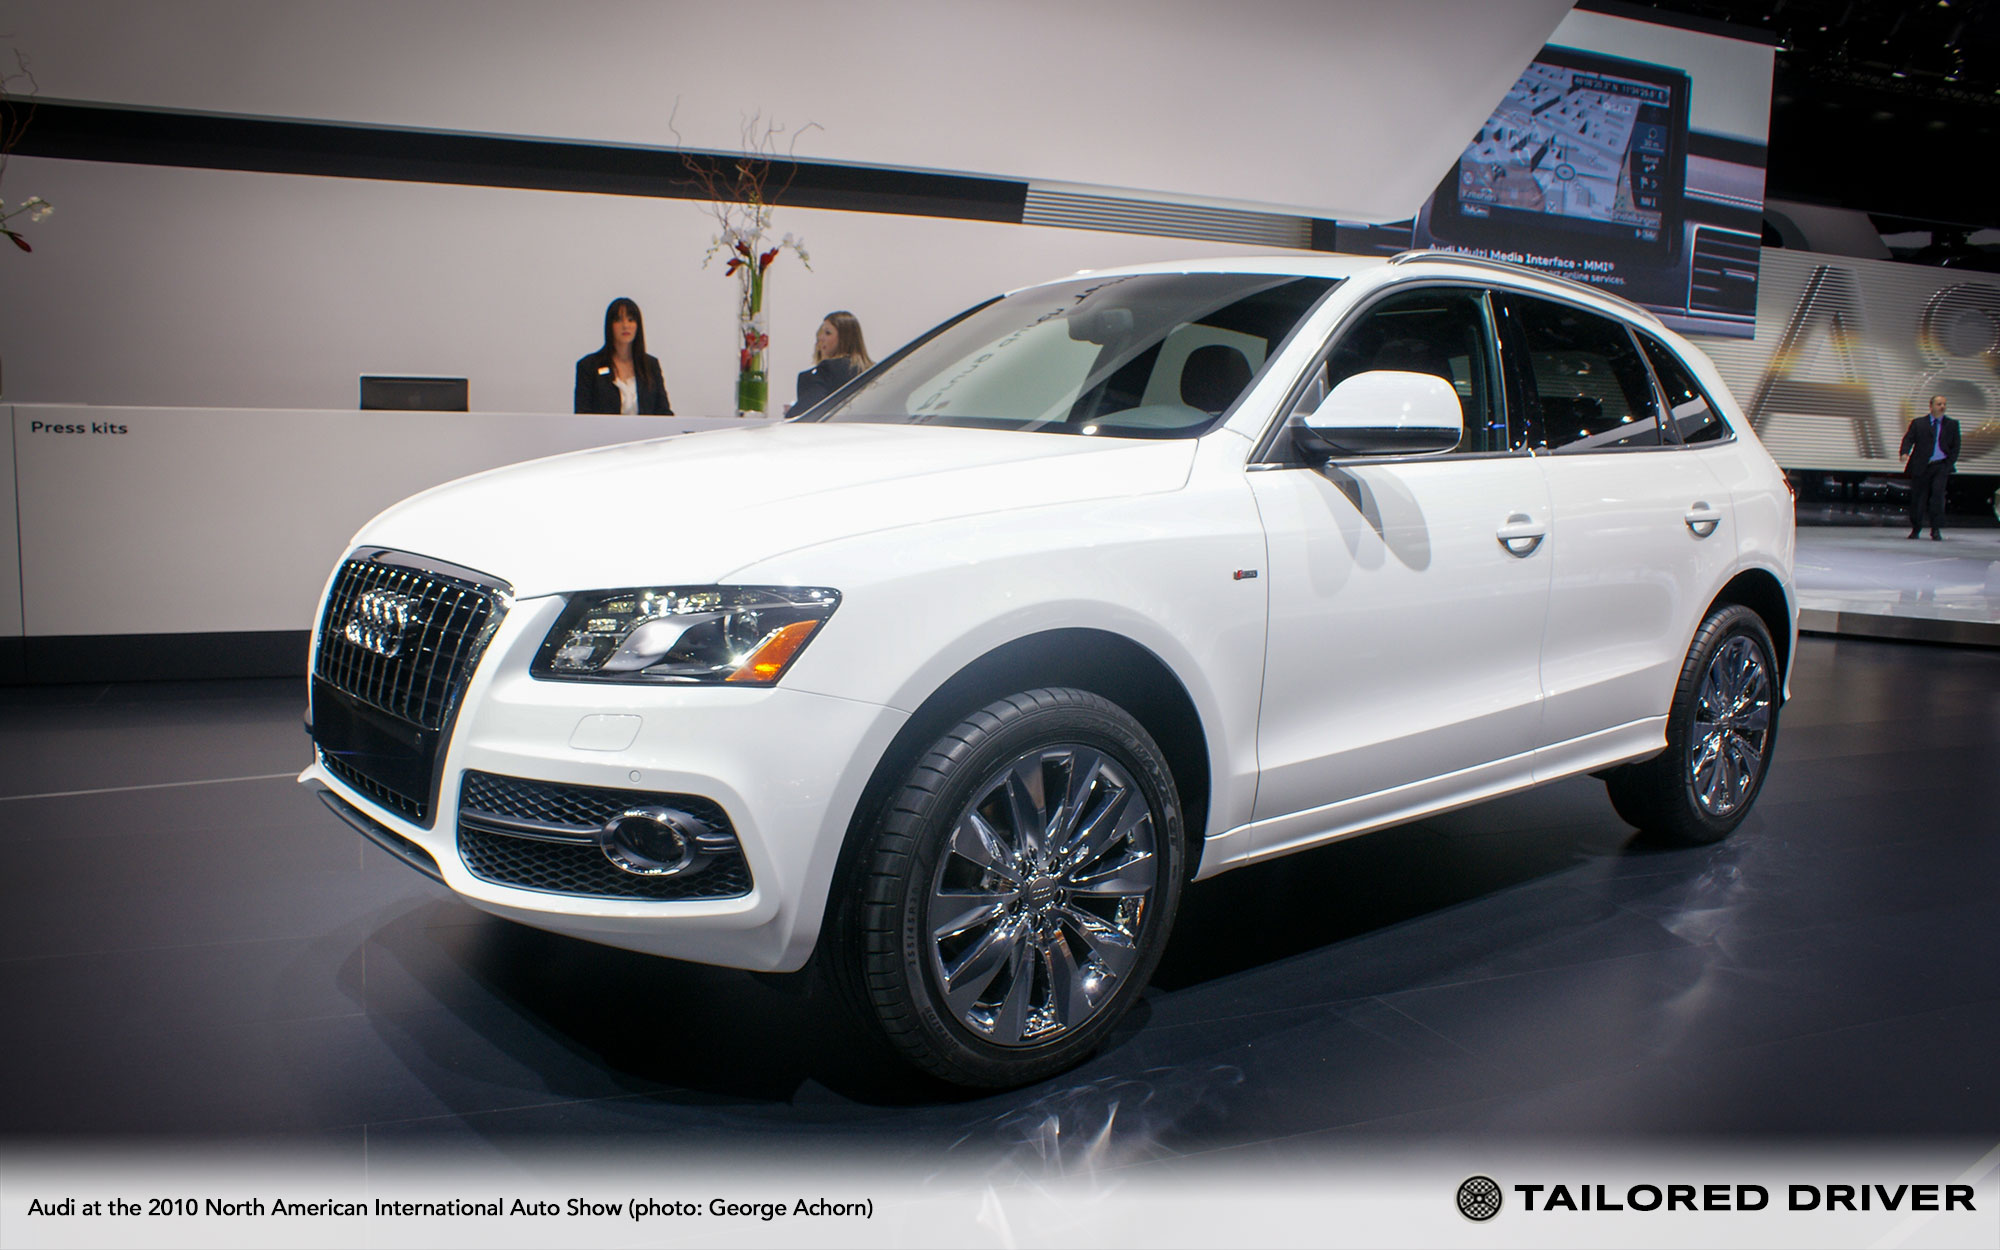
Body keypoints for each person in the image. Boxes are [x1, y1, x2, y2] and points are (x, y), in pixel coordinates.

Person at [575, 297, 673, 415]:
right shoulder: (589, 366)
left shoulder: (650, 365)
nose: (625, 325)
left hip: (646, 428)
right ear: (610, 325)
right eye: (618, 320)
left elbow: (663, 412)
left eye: (631, 320)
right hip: (603, 427)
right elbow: (583, 414)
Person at [1899, 393, 1959, 540]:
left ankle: (1936, 529)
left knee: (1937, 497)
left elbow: (1956, 446)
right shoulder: (1919, 423)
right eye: (1939, 404)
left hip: (1941, 465)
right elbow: (1908, 439)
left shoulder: (1952, 424)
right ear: (1931, 406)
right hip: (1922, 465)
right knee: (1918, 498)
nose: (1942, 407)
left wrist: (1948, 464)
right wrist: (1904, 452)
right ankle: (1916, 528)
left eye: (1944, 404)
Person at [791, 310, 873, 414]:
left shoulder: (827, 370)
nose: (820, 338)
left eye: (828, 333)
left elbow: (803, 413)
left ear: (844, 338)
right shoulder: (873, 372)